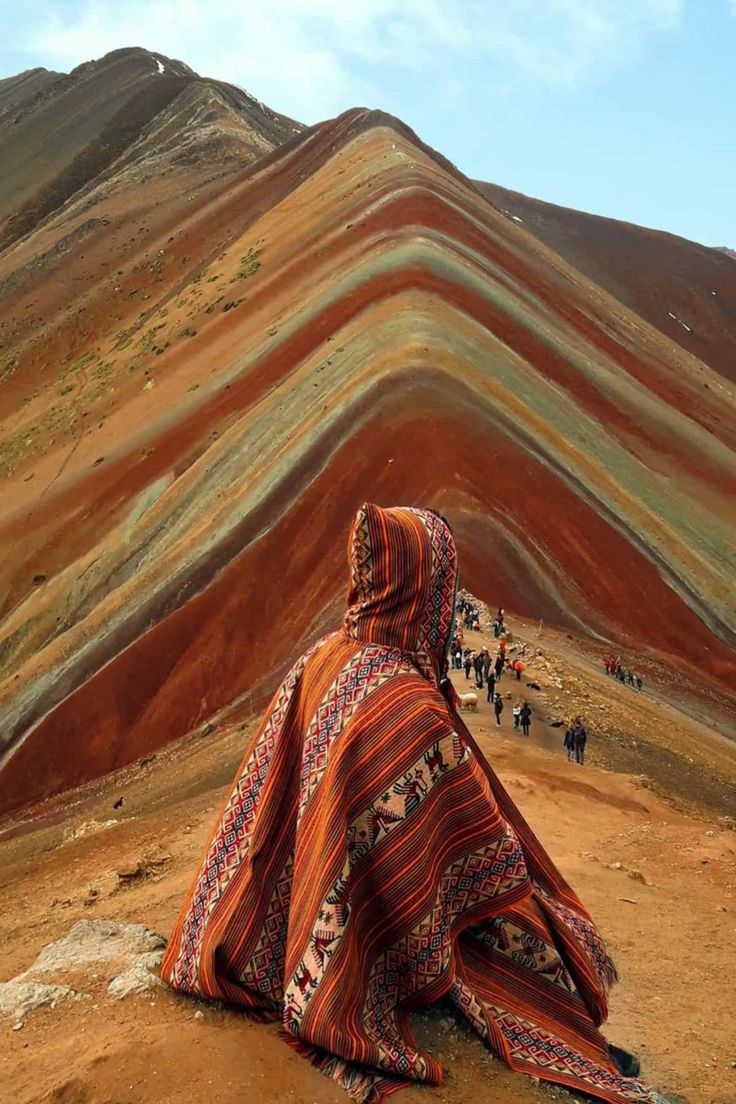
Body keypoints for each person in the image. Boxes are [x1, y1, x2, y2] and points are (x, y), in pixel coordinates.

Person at [161, 503, 657, 1104]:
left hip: (266, 918)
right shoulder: (406, 705)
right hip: (361, 932)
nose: (451, 617)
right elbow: (479, 850)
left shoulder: (325, 657)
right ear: (425, 593)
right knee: (534, 937)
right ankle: (573, 1041)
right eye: (446, 594)